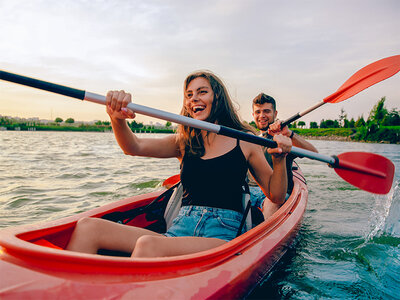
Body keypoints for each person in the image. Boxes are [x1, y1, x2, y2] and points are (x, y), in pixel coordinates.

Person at [66, 71, 292, 258]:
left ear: (218, 98)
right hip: (178, 232)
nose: (194, 98)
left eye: (202, 92)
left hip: (222, 239)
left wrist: (279, 158)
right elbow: (133, 147)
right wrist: (116, 118)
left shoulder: (245, 139)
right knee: (88, 227)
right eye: (189, 94)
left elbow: (276, 195)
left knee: (148, 245)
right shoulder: (184, 141)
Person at [249, 93, 318, 218]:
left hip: (274, 195)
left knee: (272, 203)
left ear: (275, 114)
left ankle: (266, 233)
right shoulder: (248, 139)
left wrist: (290, 134)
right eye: (258, 112)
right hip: (249, 190)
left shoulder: (284, 139)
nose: (262, 116)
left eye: (266, 111)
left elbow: (314, 154)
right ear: (253, 115)